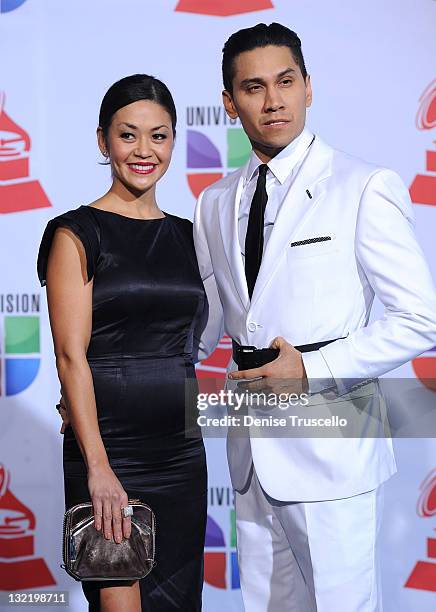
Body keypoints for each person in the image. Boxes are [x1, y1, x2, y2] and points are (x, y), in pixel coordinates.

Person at [193, 23, 436, 611]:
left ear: (308, 87)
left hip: (334, 452)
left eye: (285, 81)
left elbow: (420, 318)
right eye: (253, 87)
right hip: (250, 453)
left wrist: (312, 368)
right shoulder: (213, 201)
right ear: (230, 102)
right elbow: (207, 328)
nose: (273, 100)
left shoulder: (362, 185)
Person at [37, 74, 208, 612]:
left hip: (181, 454)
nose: (144, 151)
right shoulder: (76, 232)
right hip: (110, 454)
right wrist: (99, 468)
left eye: (158, 136)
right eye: (128, 135)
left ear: (174, 141)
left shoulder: (188, 235)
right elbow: (71, 357)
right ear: (102, 140)